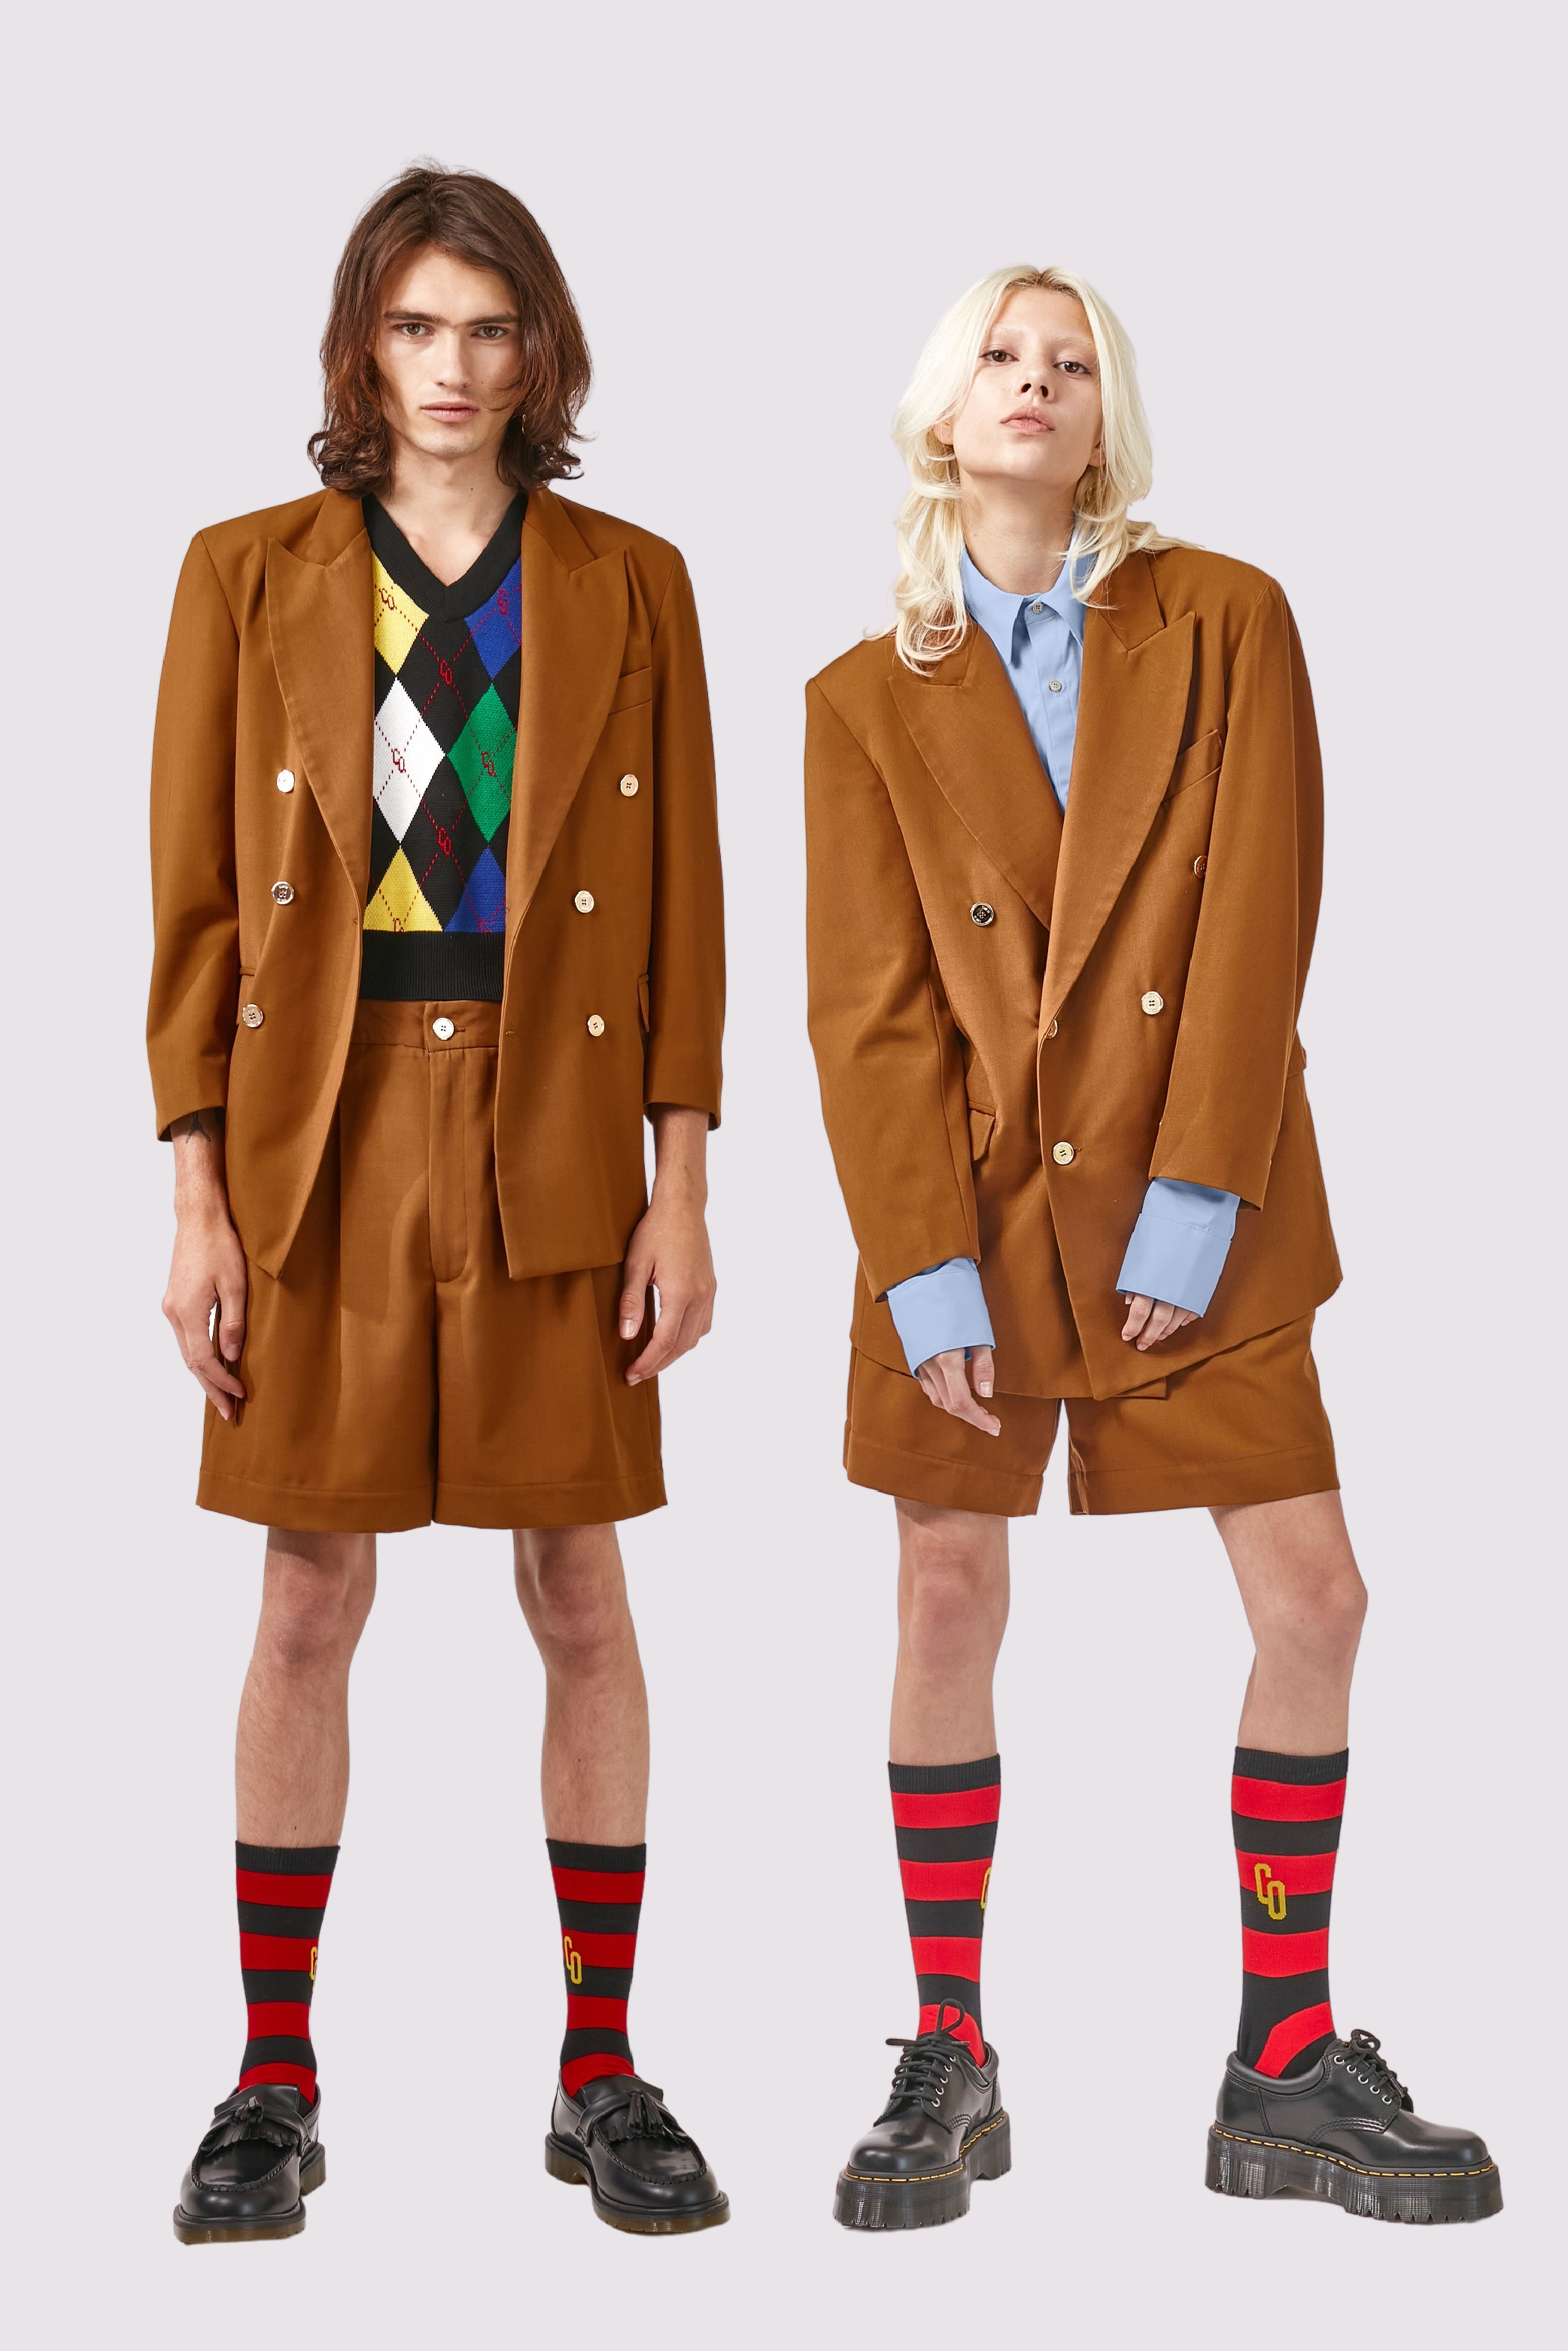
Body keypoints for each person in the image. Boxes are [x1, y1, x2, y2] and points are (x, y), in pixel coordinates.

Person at [804, 265, 1499, 2230]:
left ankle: (1286, 2051)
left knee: (1316, 1598)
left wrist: (1198, 1200)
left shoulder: (1224, 619)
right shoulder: (860, 697)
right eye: (998, 358)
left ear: (1104, 416)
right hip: (959, 1212)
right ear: (944, 410)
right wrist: (922, 1271)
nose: (1032, 384)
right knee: (943, 1599)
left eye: (1070, 362)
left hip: (1206, 1189)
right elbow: (866, 1013)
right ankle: (948, 2048)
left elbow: (1260, 911)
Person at [150, 166, 728, 2242]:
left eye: (490, 329)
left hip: (556, 1117)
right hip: (316, 1128)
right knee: (307, 1596)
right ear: (362, 347)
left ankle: (601, 2065)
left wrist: (683, 1184)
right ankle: (272, 2078)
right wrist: (197, 1199)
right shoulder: (245, 574)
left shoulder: (633, 580)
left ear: (538, 349)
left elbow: (684, 906)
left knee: (578, 1587)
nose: (454, 367)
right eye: (416, 327)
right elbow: (192, 909)